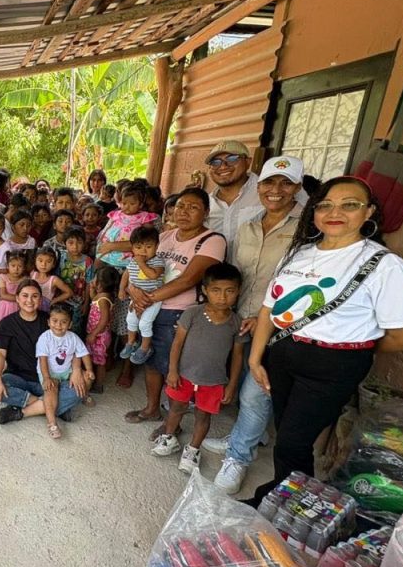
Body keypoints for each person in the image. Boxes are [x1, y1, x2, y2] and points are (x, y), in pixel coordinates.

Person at [247, 176, 403, 504]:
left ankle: (288, 504)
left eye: (349, 205)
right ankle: (286, 495)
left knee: (292, 442)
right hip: (284, 352)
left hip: (333, 366)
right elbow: (268, 309)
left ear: (369, 212)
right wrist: (255, 357)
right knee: (287, 435)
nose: (335, 212)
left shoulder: (382, 264)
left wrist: (355, 347)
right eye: (325, 205)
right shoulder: (299, 253)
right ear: (314, 212)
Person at [205, 155, 305, 495]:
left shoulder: (306, 230)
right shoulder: (248, 225)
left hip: (277, 326)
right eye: (269, 182)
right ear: (259, 186)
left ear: (297, 188)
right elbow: (236, 273)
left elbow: (303, 287)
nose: (276, 190)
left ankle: (238, 457)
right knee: (242, 384)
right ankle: (245, 435)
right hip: (240, 318)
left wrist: (268, 318)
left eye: (286, 183)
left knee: (254, 392)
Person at [123, 188, 226, 437]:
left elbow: (188, 279)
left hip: (180, 313)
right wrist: (132, 289)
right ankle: (152, 409)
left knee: (174, 367)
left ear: (206, 212)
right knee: (151, 361)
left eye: (193, 207)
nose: (184, 212)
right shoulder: (165, 236)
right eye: (180, 206)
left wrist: (146, 298)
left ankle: (173, 422)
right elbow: (139, 263)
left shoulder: (213, 241)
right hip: (152, 307)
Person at [152, 263, 246, 475]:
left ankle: (193, 450)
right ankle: (168, 438)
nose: (222, 297)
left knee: (203, 416)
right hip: (184, 375)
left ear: (238, 291)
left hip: (213, 380)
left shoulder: (237, 323)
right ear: (205, 290)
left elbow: (237, 356)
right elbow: (177, 343)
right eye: (216, 290)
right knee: (176, 408)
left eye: (229, 291)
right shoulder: (192, 313)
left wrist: (232, 385)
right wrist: (172, 371)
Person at [0, 281, 86, 426]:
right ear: (17, 298)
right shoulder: (6, 323)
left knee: (82, 385)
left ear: (40, 299)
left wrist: (77, 370)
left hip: (49, 379)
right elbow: (0, 353)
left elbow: (71, 346)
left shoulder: (51, 321)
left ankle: (22, 411)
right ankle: (53, 406)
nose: (29, 300)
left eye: (35, 296)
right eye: (25, 296)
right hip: (19, 378)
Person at [35, 304, 94, 439]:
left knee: (87, 377)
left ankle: (84, 395)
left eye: (63, 322)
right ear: (48, 322)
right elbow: (42, 360)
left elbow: (83, 354)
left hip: (67, 371)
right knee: (51, 389)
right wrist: (46, 378)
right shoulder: (44, 338)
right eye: (55, 321)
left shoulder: (73, 337)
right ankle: (52, 423)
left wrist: (89, 370)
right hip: (50, 373)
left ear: (70, 324)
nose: (58, 325)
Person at [118, 225, 166, 365]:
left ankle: (145, 348)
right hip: (135, 298)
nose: (143, 251)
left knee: (145, 323)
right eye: (138, 247)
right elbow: (126, 275)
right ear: (132, 248)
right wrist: (122, 289)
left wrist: (141, 263)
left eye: (148, 247)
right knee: (130, 320)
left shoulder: (157, 261)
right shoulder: (133, 261)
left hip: (152, 299)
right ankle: (131, 342)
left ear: (157, 246)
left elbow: (153, 275)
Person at [86, 267, 116, 393]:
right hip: (98, 334)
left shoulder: (103, 300)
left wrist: (93, 334)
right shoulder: (102, 296)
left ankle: (99, 385)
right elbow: (94, 299)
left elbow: (104, 319)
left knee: (100, 362)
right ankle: (94, 381)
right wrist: (92, 289)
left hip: (100, 336)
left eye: (94, 278)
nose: (92, 280)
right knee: (95, 358)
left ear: (100, 283)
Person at [30, 247, 71, 312]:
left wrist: (55, 300)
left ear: (53, 264)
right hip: (30, 305)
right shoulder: (32, 274)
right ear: (35, 261)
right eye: (40, 261)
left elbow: (69, 292)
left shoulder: (54, 280)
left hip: (44, 309)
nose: (43, 264)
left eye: (48, 261)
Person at [0, 251, 27, 328]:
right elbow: (3, 295)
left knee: (17, 327)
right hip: (4, 308)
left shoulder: (25, 279)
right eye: (13, 266)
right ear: (7, 266)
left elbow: (26, 295)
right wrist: (21, 299)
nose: (16, 269)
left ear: (24, 267)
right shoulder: (3, 277)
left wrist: (6, 297)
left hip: (19, 307)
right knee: (4, 327)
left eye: (20, 266)